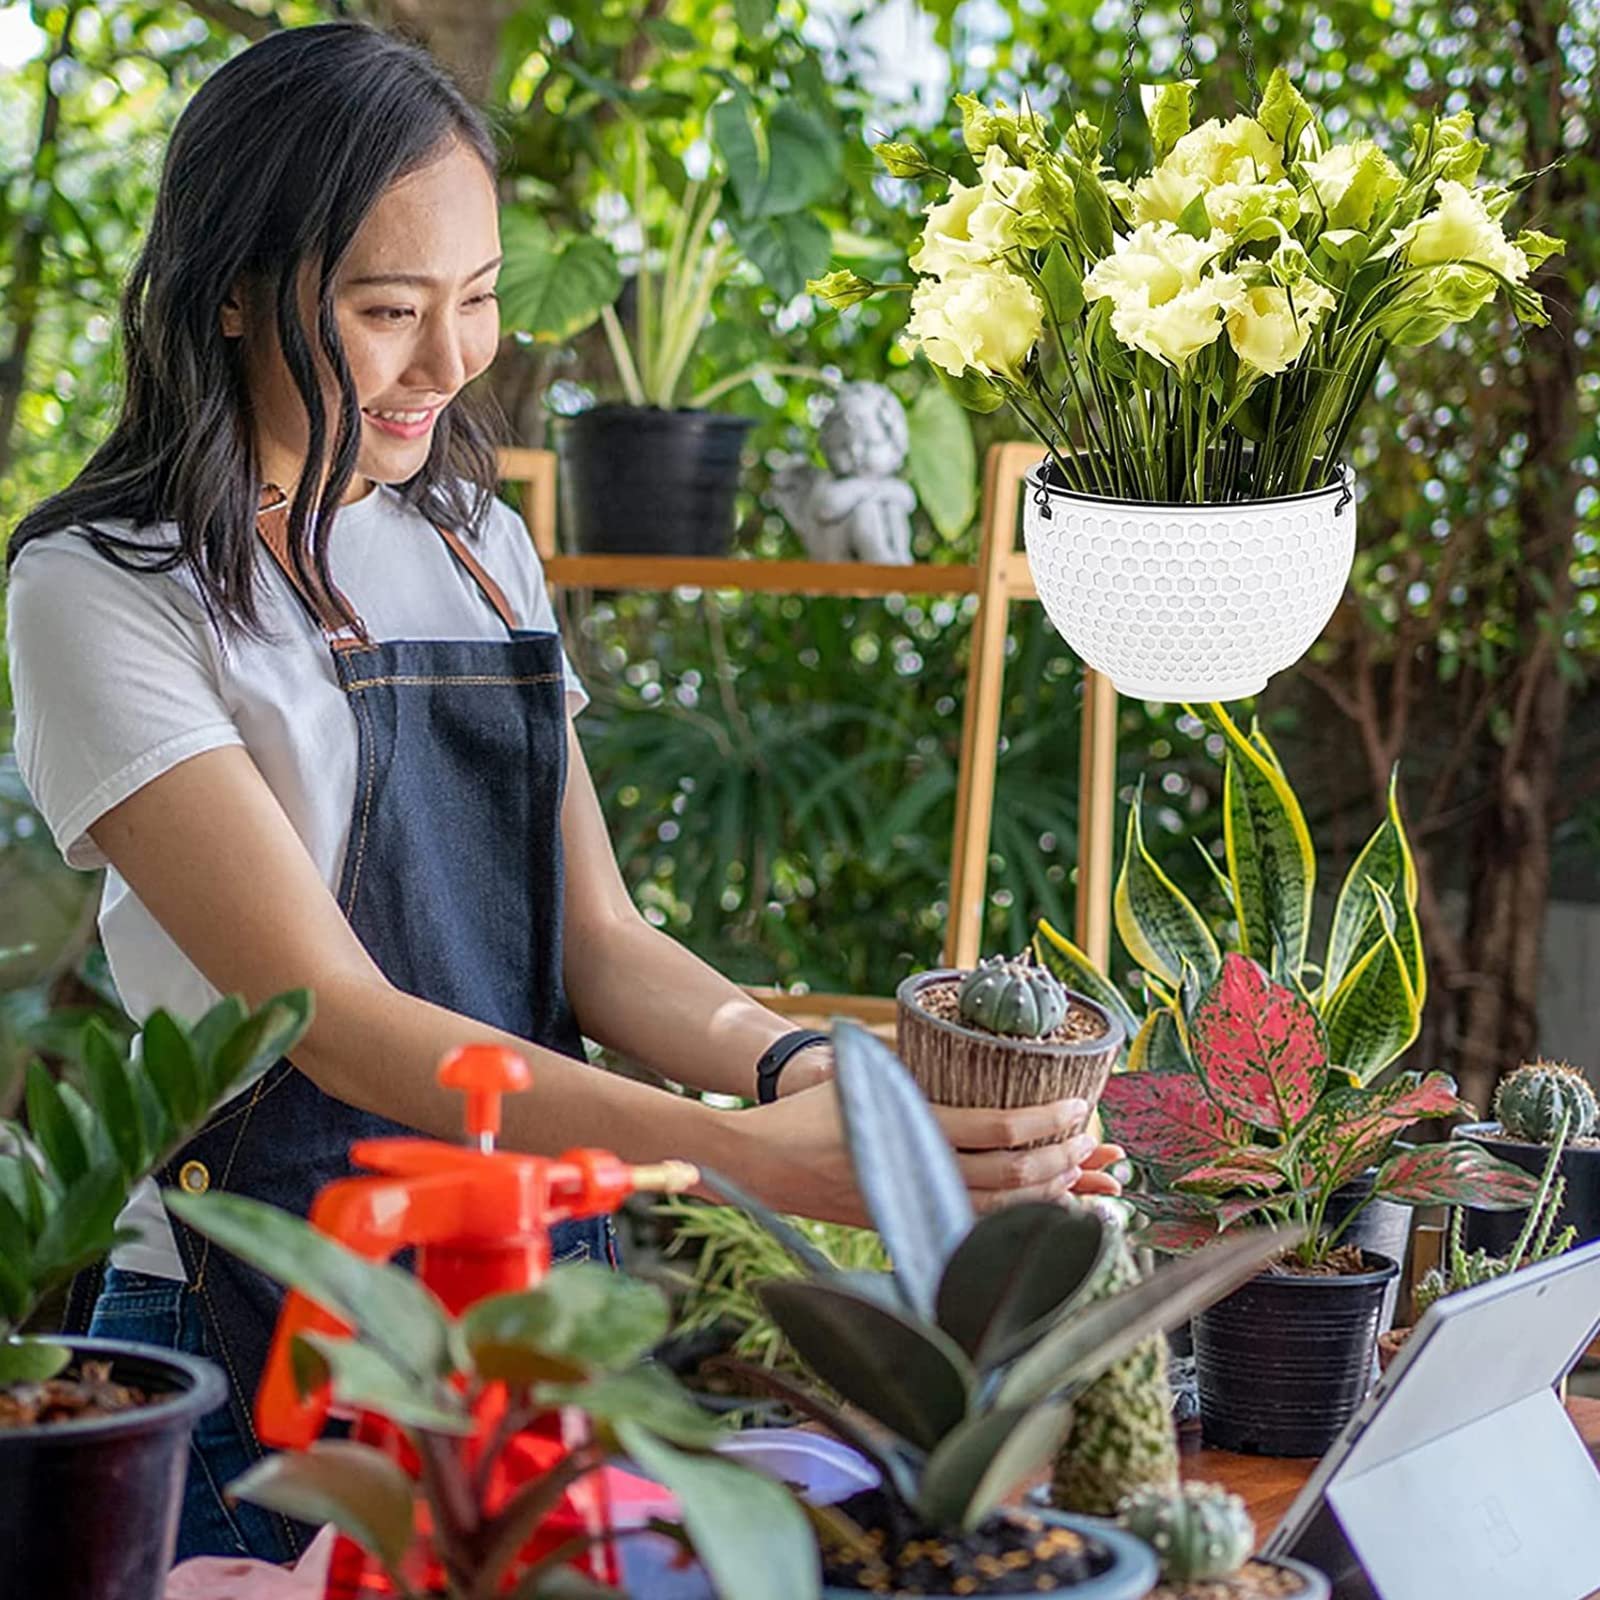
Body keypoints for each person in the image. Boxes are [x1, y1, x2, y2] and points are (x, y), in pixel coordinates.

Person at [3, 20, 1122, 1566]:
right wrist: (728, 1149)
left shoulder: (471, 536)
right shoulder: (103, 588)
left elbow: (600, 944)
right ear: (234, 294)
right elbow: (330, 1014)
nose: (455, 362)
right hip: (264, 1315)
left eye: (471, 301)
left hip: (533, 1298)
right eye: (389, 310)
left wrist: (807, 1068)